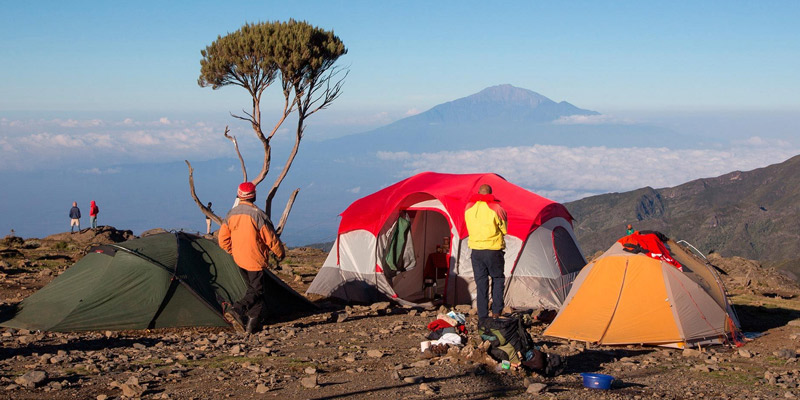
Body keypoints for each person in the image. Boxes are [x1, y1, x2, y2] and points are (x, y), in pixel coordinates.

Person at [218, 182, 286, 334]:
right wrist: (280, 253)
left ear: (239, 195)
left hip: (239, 259)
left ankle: (252, 326)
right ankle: (237, 309)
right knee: (256, 291)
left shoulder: (231, 214)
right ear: (253, 196)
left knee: (254, 290)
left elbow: (222, 240)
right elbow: (270, 238)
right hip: (254, 259)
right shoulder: (257, 214)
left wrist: (233, 251)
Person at [464, 184, 507, 320]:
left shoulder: (469, 208)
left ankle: (482, 315)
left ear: (478, 193)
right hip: (493, 249)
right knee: (497, 279)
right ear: (490, 194)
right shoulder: (496, 208)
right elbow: (504, 229)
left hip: (476, 250)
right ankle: (496, 312)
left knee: (481, 282)